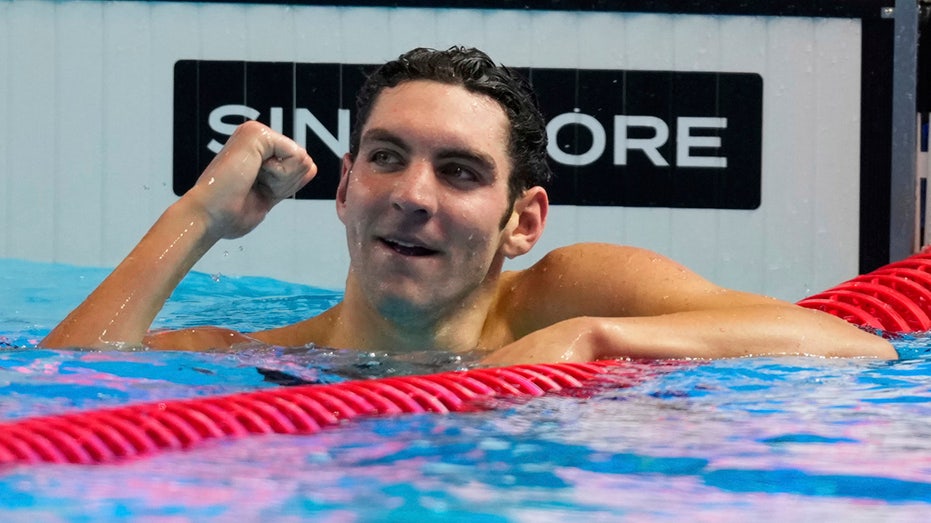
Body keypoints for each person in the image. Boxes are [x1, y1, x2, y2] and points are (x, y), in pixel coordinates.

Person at [40, 47, 897, 363]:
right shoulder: (266, 358)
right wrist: (197, 216)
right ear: (344, 188)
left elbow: (853, 346)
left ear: (521, 222)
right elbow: (63, 387)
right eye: (385, 159)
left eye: (458, 172)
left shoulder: (565, 296)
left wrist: (594, 336)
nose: (411, 196)